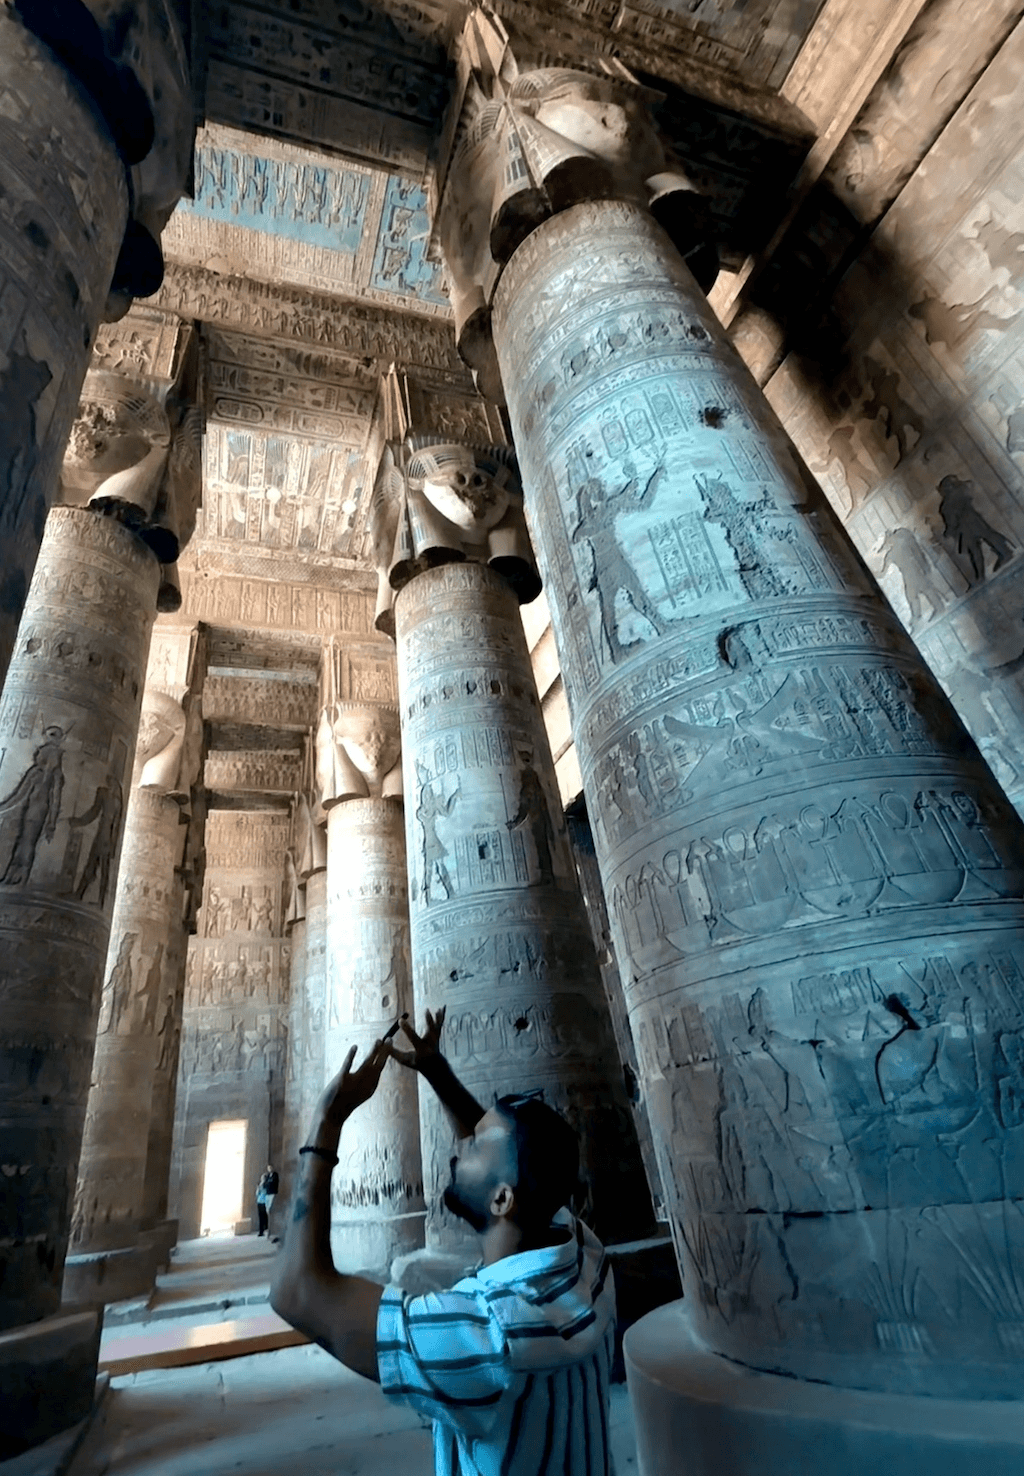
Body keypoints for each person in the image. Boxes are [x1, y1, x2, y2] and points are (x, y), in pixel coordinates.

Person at [270, 1007, 616, 1476]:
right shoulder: (585, 1256)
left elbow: (296, 1292)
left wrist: (326, 1124)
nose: (460, 1146)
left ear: (501, 1200)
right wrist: (436, 1071)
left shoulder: (484, 1337)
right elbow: (522, 1163)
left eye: (475, 1146)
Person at [256, 1163, 278, 1237]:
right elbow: (257, 1193)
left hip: (266, 1199)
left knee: (267, 1214)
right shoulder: (261, 1184)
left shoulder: (273, 1177)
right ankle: (262, 1231)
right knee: (261, 1216)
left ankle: (267, 1230)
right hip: (260, 1201)